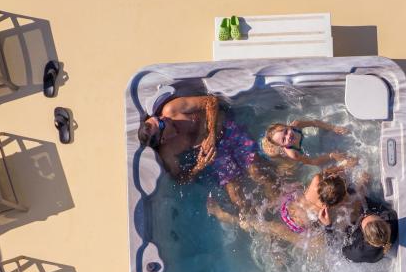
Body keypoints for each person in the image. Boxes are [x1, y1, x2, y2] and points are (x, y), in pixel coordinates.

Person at [138, 94, 272, 202]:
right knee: (237, 198)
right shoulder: (168, 152)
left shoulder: (172, 109)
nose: (163, 118)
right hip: (217, 154)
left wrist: (211, 133)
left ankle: (278, 197)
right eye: (161, 123)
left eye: (157, 117)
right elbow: (179, 179)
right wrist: (199, 166)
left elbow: (211, 101)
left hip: (228, 130)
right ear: (162, 139)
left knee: (257, 172)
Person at [207, 169, 351, 245]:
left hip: (285, 207)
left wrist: (338, 170)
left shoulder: (316, 180)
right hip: (295, 227)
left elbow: (328, 173)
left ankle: (222, 212)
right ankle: (219, 213)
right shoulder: (326, 209)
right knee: (256, 225)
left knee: (254, 219)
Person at [261, 120, 352, 170]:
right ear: (282, 146)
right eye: (284, 140)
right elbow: (312, 162)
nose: (288, 136)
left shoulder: (297, 125)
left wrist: (333, 127)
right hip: (294, 152)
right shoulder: (293, 153)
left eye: (286, 131)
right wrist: (330, 156)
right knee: (289, 166)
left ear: (287, 126)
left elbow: (314, 123)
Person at [342, 198, 398, 263]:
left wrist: (329, 226)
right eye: (371, 214)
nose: (365, 215)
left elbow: (341, 251)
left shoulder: (359, 251)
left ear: (364, 237)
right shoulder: (391, 218)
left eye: (363, 219)